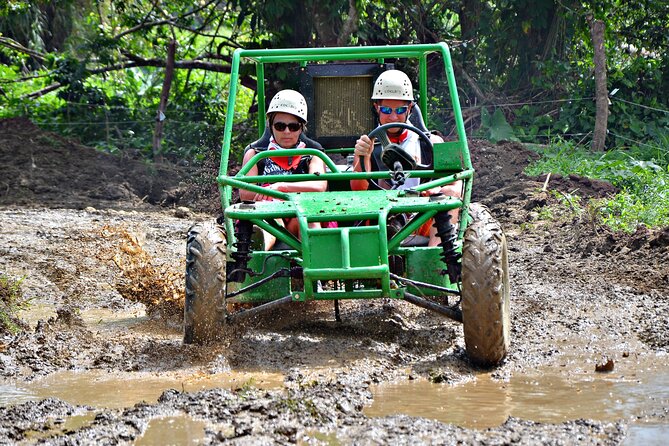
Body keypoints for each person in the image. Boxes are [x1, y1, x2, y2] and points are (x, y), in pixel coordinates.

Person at [350, 70, 462, 247]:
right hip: (381, 217)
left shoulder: (430, 142)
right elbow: (359, 191)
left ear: (410, 108)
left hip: (422, 217)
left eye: (400, 110)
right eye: (386, 110)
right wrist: (364, 157)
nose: (393, 117)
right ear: (376, 107)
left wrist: (437, 189)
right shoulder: (367, 145)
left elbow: (457, 184)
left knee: (447, 196)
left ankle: (436, 265)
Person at [239, 89, 327, 249]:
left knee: (308, 219)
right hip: (268, 212)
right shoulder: (256, 153)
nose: (286, 132)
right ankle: (260, 260)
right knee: (269, 220)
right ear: (271, 126)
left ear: (301, 128)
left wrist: (280, 187)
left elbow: (319, 186)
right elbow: (245, 193)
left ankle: (318, 268)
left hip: (300, 211)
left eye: (293, 127)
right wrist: (273, 197)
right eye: (280, 126)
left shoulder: (313, 152)